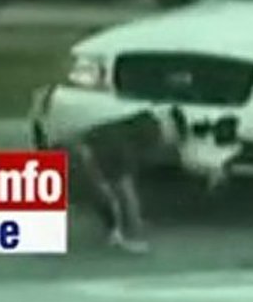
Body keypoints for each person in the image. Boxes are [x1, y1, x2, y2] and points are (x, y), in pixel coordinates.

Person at [70, 105, 188, 254]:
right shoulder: (125, 145)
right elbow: (126, 193)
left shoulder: (120, 127)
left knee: (105, 189)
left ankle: (115, 232)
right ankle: (124, 238)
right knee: (111, 194)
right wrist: (136, 227)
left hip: (50, 163)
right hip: (67, 168)